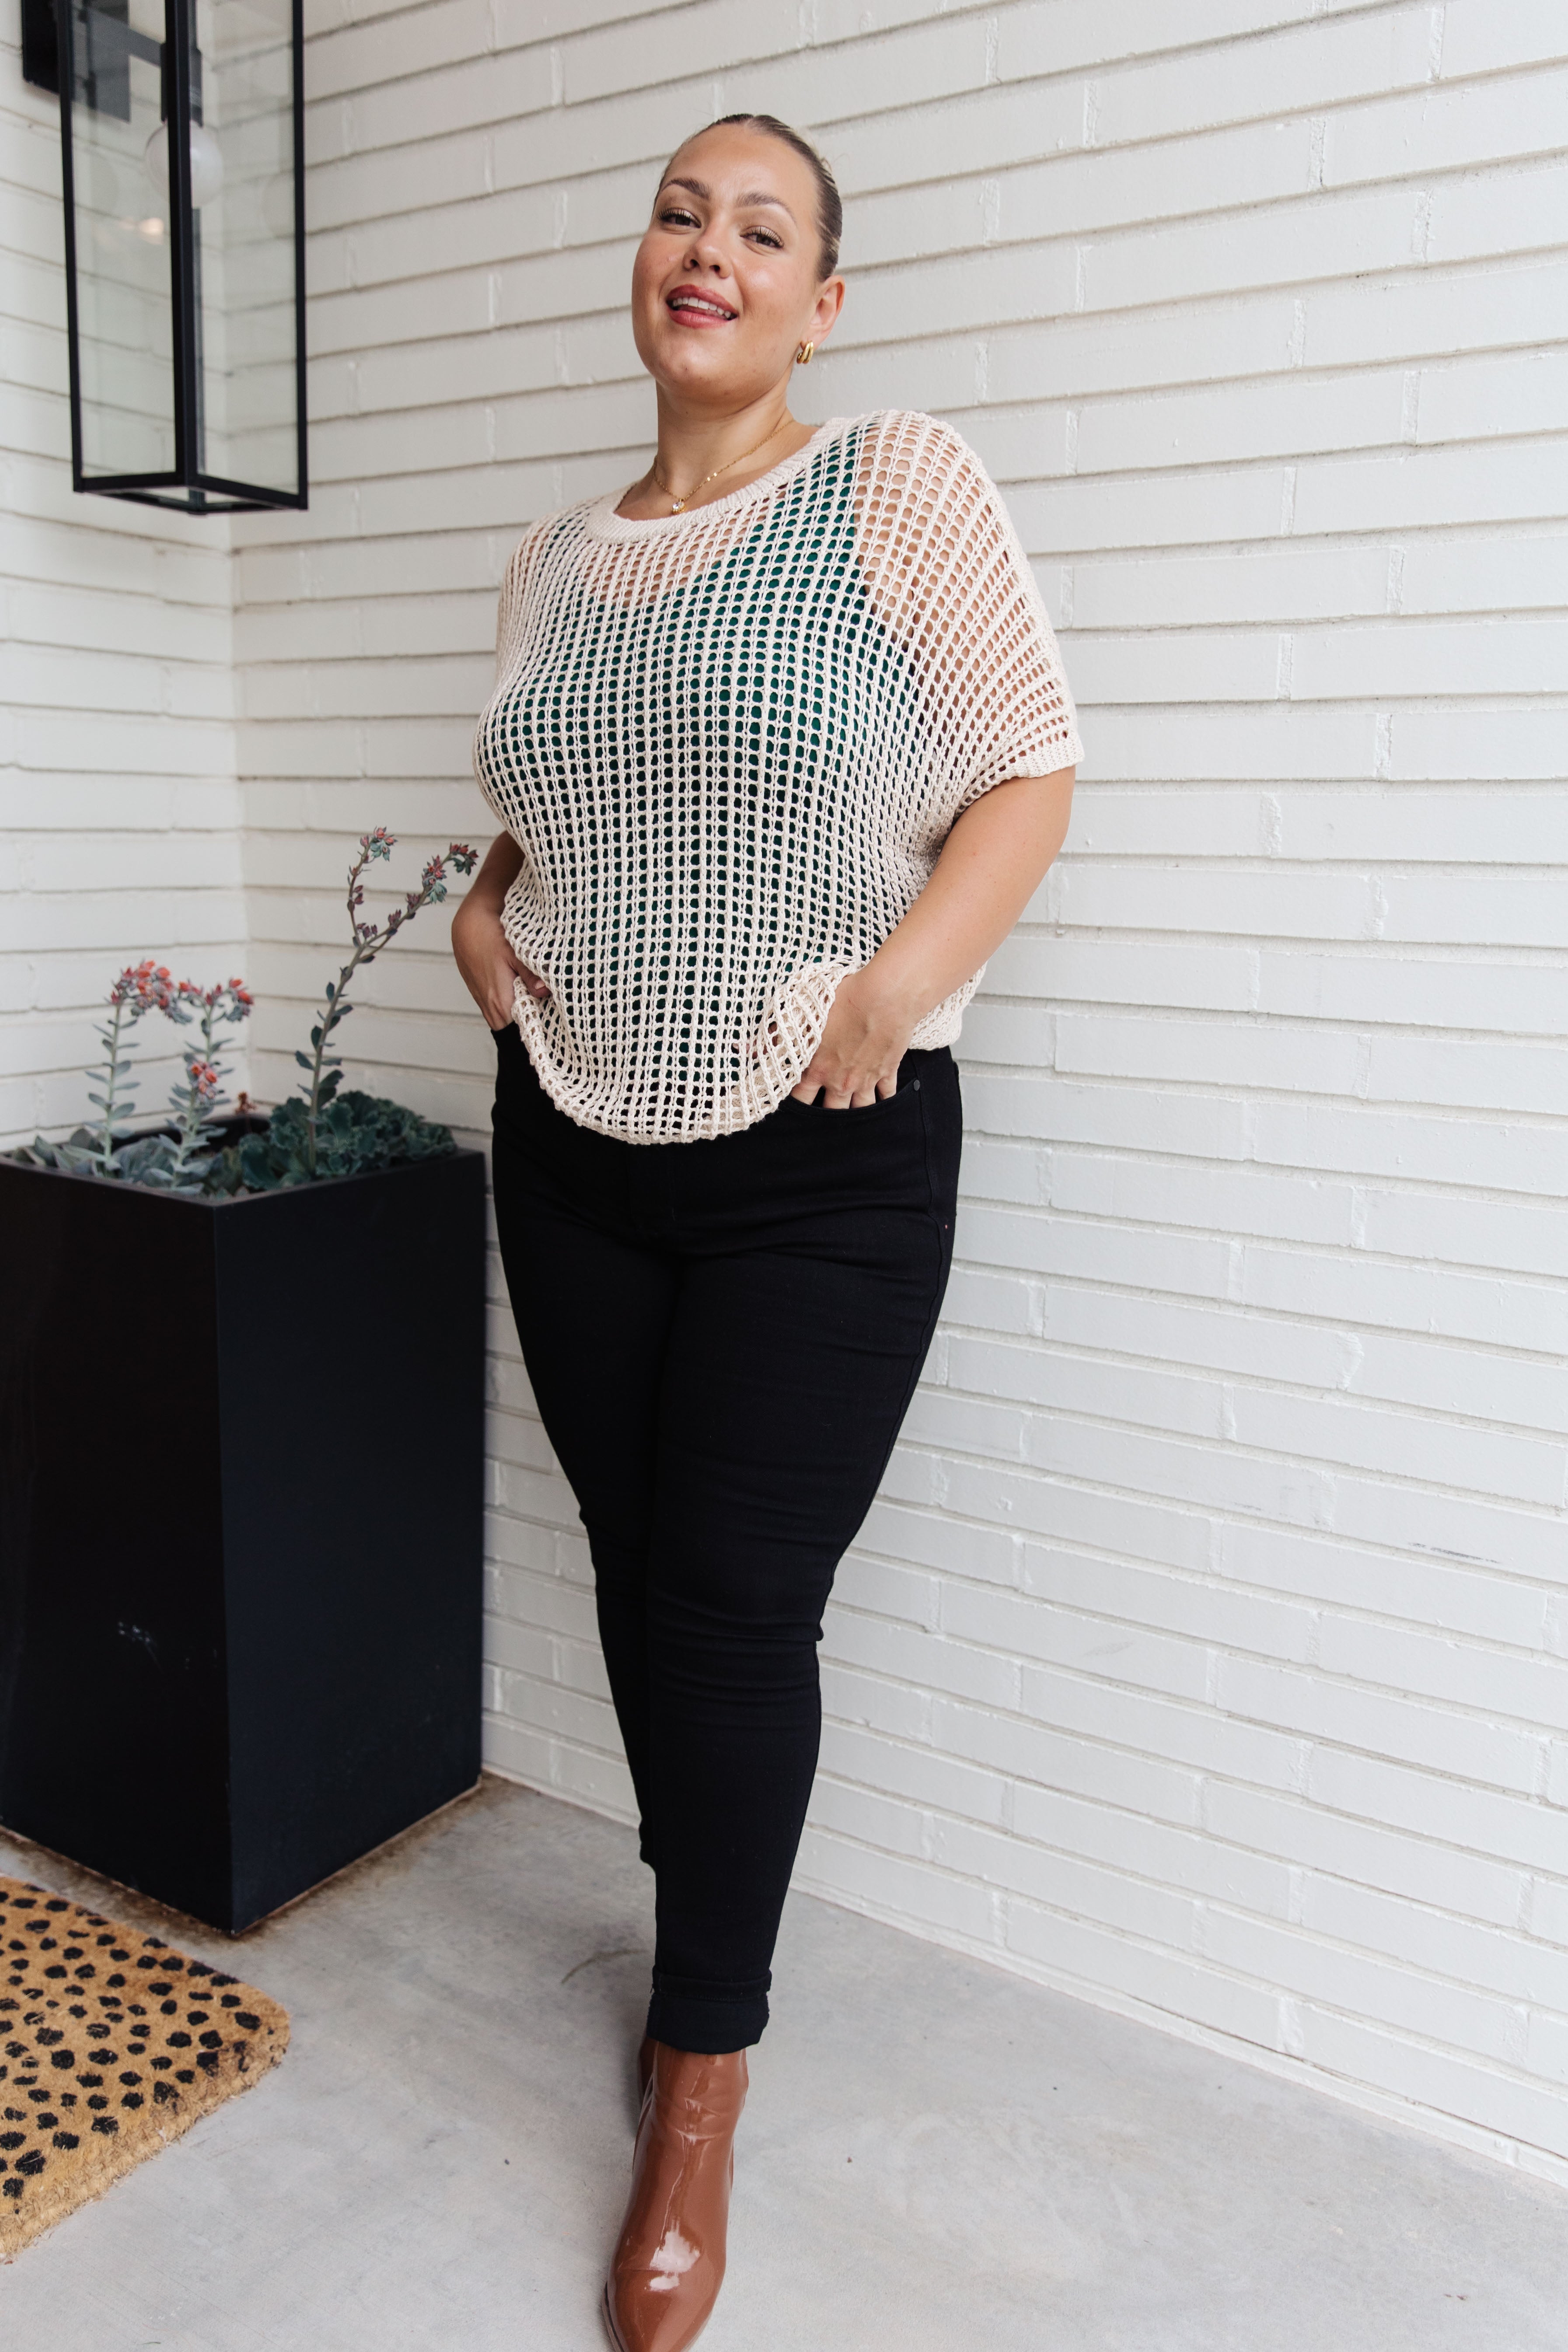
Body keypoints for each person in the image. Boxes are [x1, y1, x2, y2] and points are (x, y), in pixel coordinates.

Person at [453, 110, 1082, 2352]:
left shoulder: (891, 484)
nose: (702, 249)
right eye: (676, 212)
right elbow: (554, 804)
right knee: (644, 1576)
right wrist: (486, 918)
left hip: (822, 1159)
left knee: (730, 1612)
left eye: (760, 227)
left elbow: (1028, 765)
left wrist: (894, 993)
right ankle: (703, 1923)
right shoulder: (552, 558)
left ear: (820, 304)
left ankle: (700, 2072)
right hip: (575, 1133)